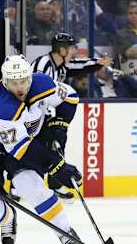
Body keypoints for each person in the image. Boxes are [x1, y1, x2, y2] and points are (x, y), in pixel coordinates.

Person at [0, 54, 84, 244]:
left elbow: (70, 98)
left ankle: (65, 232)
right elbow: (19, 149)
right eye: (13, 83)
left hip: (25, 140)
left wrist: (59, 126)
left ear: (30, 77)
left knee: (28, 184)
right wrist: (57, 166)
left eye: (24, 81)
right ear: (4, 80)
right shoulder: (0, 106)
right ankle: (8, 217)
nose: (20, 88)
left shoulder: (41, 83)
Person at [31, 32, 112, 200]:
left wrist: (97, 63)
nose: (75, 50)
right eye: (72, 48)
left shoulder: (61, 65)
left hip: (45, 113)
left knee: (58, 141)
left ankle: (55, 183)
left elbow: (78, 66)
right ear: (62, 50)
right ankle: (16, 184)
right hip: (31, 115)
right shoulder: (43, 65)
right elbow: (33, 93)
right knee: (35, 147)